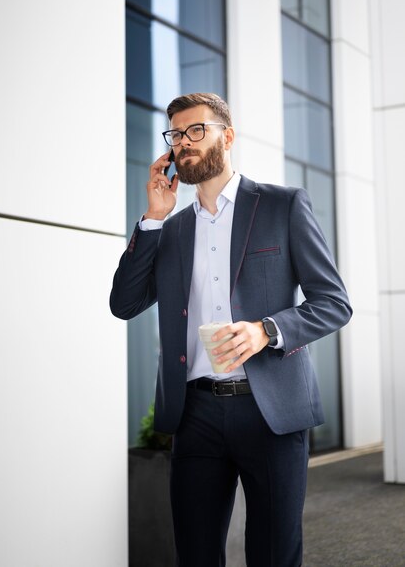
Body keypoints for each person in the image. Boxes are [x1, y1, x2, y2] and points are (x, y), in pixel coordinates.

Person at [110, 92, 352, 567]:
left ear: (228, 136)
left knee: (274, 555)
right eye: (176, 135)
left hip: (271, 410)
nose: (185, 142)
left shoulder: (282, 206)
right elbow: (124, 302)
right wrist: (154, 217)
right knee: (196, 556)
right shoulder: (173, 229)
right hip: (195, 413)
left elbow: (334, 303)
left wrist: (268, 330)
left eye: (196, 130)